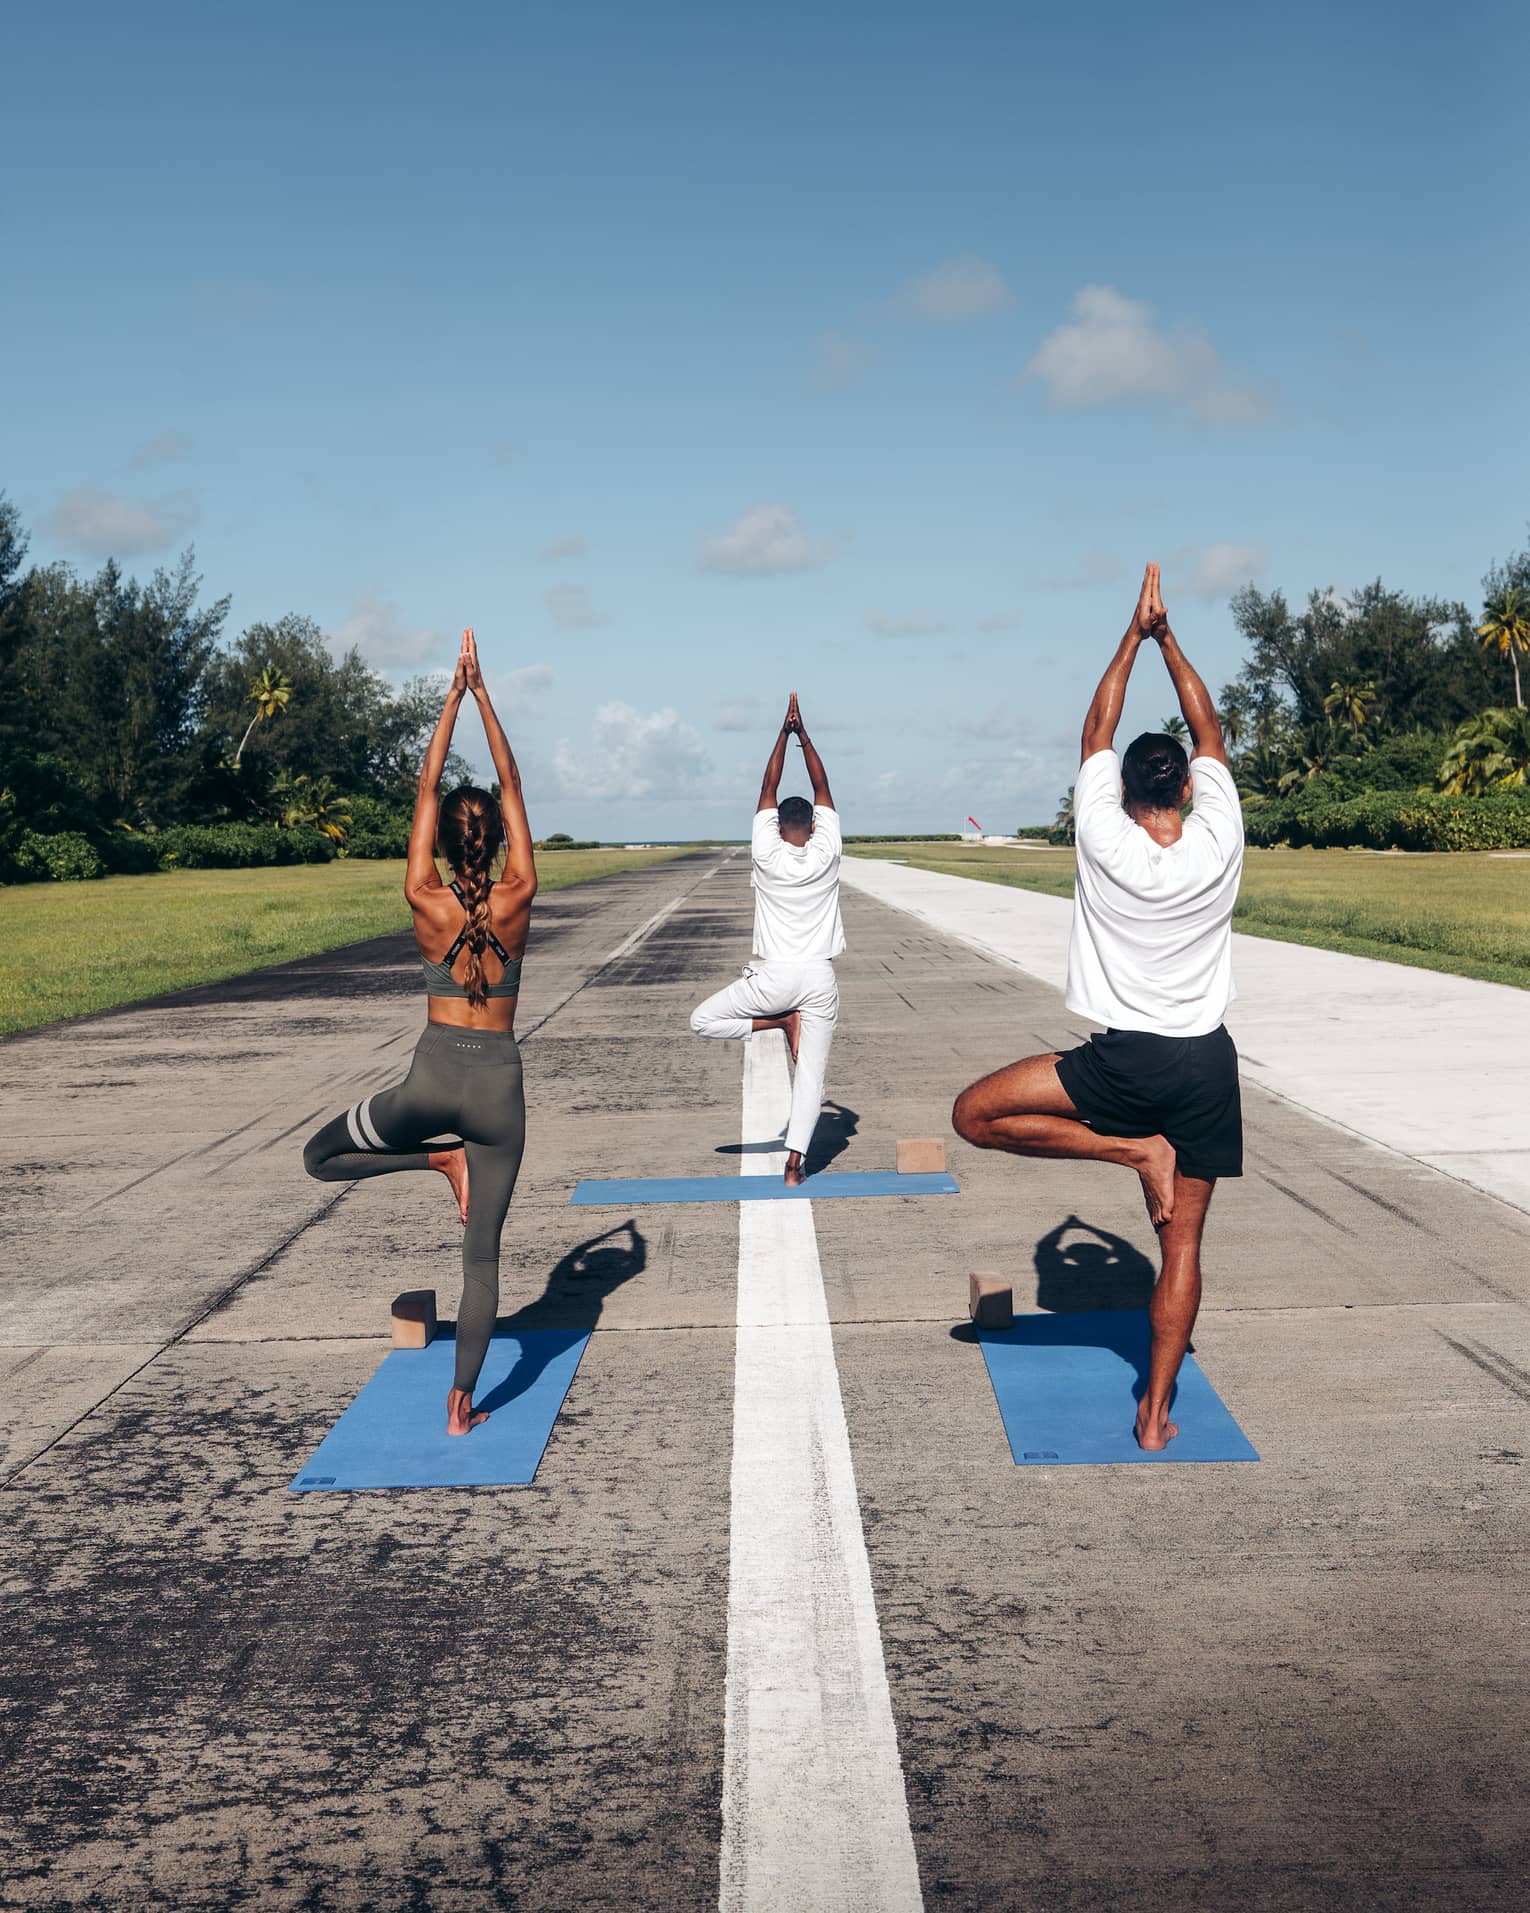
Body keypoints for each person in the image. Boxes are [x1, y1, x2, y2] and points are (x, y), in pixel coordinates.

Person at [951, 564, 1245, 1449]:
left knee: (974, 1114)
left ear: (1122, 789)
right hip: (1205, 1066)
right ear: (1188, 788)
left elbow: (1096, 726)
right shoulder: (1220, 831)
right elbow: (1209, 726)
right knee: (1181, 1249)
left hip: (1124, 1062)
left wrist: (1132, 631)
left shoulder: (1103, 833)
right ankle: (1155, 1414)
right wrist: (1171, 639)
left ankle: (1129, 1150)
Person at [302, 628, 536, 1435]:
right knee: (481, 1263)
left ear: (438, 843)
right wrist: (485, 698)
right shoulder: (522, 891)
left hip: (429, 1082)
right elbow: (507, 778)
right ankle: (463, 1402)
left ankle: (434, 1154)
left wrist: (451, 696)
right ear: (501, 841)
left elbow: (429, 785)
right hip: (500, 1093)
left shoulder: (420, 894)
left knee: (319, 1157)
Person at [690, 693, 843, 1186]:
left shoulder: (765, 852)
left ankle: (777, 1023)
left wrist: (783, 731)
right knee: (812, 1076)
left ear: (776, 827)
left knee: (703, 1020)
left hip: (774, 977)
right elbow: (823, 784)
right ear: (815, 825)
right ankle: (794, 1166)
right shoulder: (827, 851)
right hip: (819, 977)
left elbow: (766, 784)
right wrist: (804, 736)